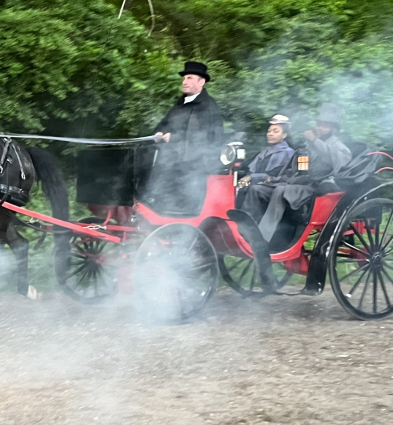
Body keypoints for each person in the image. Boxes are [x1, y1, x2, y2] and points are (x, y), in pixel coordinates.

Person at [230, 103, 351, 292]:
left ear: (334, 129)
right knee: (258, 189)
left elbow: (335, 164)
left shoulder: (340, 148)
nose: (320, 128)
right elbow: (294, 168)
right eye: (319, 124)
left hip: (317, 188)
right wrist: (271, 179)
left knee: (280, 191)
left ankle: (262, 238)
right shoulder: (307, 145)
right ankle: (247, 227)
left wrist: (315, 141)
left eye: (325, 125)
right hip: (294, 183)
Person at [143, 61, 224, 212]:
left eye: (189, 78)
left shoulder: (208, 106)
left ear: (201, 81)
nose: (184, 82)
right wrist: (159, 132)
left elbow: (205, 137)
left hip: (194, 165)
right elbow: (166, 123)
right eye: (184, 78)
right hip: (171, 160)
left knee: (180, 197)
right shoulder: (180, 103)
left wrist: (174, 138)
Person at [235, 114, 295, 212]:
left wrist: (252, 177)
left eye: (275, 131)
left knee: (254, 189)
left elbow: (277, 174)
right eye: (269, 131)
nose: (270, 134)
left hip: (276, 187)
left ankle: (248, 221)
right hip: (259, 184)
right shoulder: (263, 152)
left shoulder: (288, 152)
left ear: (284, 135)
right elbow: (250, 169)